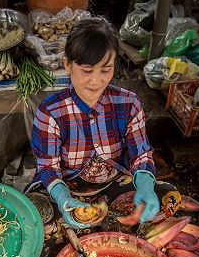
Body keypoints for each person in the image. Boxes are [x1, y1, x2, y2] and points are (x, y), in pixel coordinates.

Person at [27, 17, 180, 239]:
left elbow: (140, 154)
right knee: (34, 220)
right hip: (66, 188)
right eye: (87, 70)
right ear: (67, 65)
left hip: (112, 185)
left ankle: (92, 228)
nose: (96, 81)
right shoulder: (50, 111)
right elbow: (48, 167)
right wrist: (63, 199)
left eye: (105, 69)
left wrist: (146, 186)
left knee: (167, 196)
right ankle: (99, 227)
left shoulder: (128, 103)